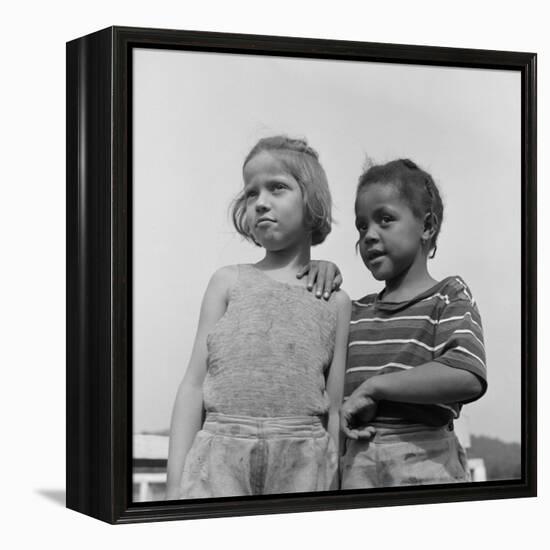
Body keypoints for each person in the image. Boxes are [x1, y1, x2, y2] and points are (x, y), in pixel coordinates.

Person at [165, 136, 351, 499]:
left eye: (277, 187)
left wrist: (337, 491)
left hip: (305, 462)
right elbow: (192, 386)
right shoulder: (226, 282)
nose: (261, 202)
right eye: (251, 193)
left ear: (312, 200)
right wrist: (174, 485)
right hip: (219, 455)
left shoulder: (335, 300)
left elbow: (335, 407)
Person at [304, 158, 487, 488]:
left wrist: (377, 387)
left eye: (385, 219)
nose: (369, 236)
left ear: (427, 226)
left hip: (428, 460)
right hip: (354, 463)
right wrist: (316, 272)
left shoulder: (447, 296)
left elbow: (466, 374)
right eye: (361, 227)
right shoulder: (353, 312)